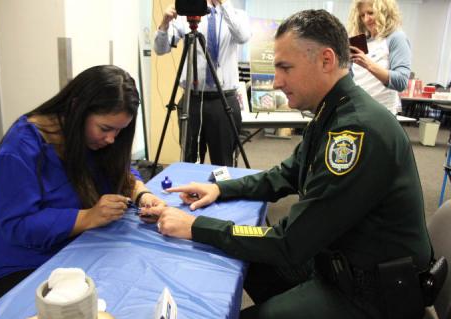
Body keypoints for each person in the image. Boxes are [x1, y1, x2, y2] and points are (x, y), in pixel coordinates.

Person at [148, 10, 433, 318]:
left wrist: (196, 226)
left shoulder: (356, 131)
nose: (276, 82)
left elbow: (289, 242)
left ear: (326, 60)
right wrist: (219, 189)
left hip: (373, 295)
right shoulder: (332, 112)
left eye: (285, 68)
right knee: (243, 260)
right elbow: (283, 175)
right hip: (338, 262)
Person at [0, 65, 166, 301]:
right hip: (22, 261)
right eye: (105, 128)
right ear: (77, 107)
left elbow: (121, 171)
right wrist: (88, 217)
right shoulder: (20, 149)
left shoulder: (93, 140)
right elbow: (18, 226)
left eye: (119, 131)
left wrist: (143, 195)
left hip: (79, 244)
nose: (111, 139)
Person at [154, 0, 251, 166]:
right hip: (192, 100)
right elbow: (161, 49)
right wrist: (164, 24)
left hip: (223, 101)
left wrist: (223, 5)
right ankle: (189, 191)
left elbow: (242, 37)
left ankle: (221, 191)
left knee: (223, 162)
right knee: (190, 160)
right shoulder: (185, 15)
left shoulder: (236, 15)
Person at [348, 0, 411, 115]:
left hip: (383, 114)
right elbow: (353, 79)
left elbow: (401, 82)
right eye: (362, 15)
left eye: (371, 13)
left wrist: (368, 64)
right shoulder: (360, 41)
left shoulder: (396, 38)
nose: (367, 19)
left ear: (384, 12)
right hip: (358, 110)